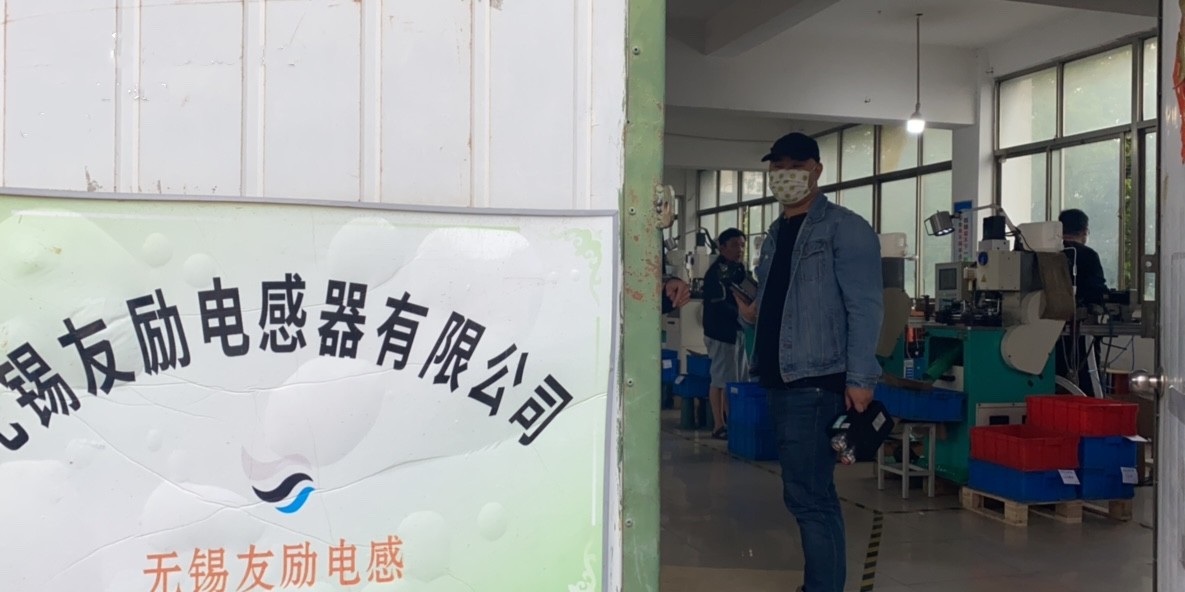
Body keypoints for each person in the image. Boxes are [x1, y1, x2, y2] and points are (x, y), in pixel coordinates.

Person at [734, 132, 883, 592]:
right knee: (808, 494)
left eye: (795, 166)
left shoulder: (845, 228)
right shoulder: (776, 233)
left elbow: (865, 306)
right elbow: (779, 296)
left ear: (817, 170)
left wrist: (861, 378)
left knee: (810, 498)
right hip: (779, 378)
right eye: (777, 167)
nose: (785, 176)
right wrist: (752, 312)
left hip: (816, 382)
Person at [701, 227, 750, 439]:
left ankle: (733, 421)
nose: (740, 250)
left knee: (736, 379)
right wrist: (742, 313)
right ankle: (719, 425)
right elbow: (719, 304)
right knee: (721, 379)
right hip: (720, 332)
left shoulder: (738, 270)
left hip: (737, 331)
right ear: (722, 248)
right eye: (734, 245)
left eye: (742, 245)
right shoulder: (716, 273)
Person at [1056, 208, 1109, 393]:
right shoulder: (1088, 255)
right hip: (1080, 332)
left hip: (1046, 334)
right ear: (1085, 231)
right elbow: (1097, 292)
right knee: (1088, 380)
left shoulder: (1044, 253)